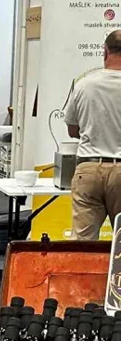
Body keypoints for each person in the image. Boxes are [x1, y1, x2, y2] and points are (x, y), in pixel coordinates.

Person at [65, 30, 121, 240]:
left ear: (104, 52)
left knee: (83, 244)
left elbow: (72, 130)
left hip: (88, 170)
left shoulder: (83, 84)